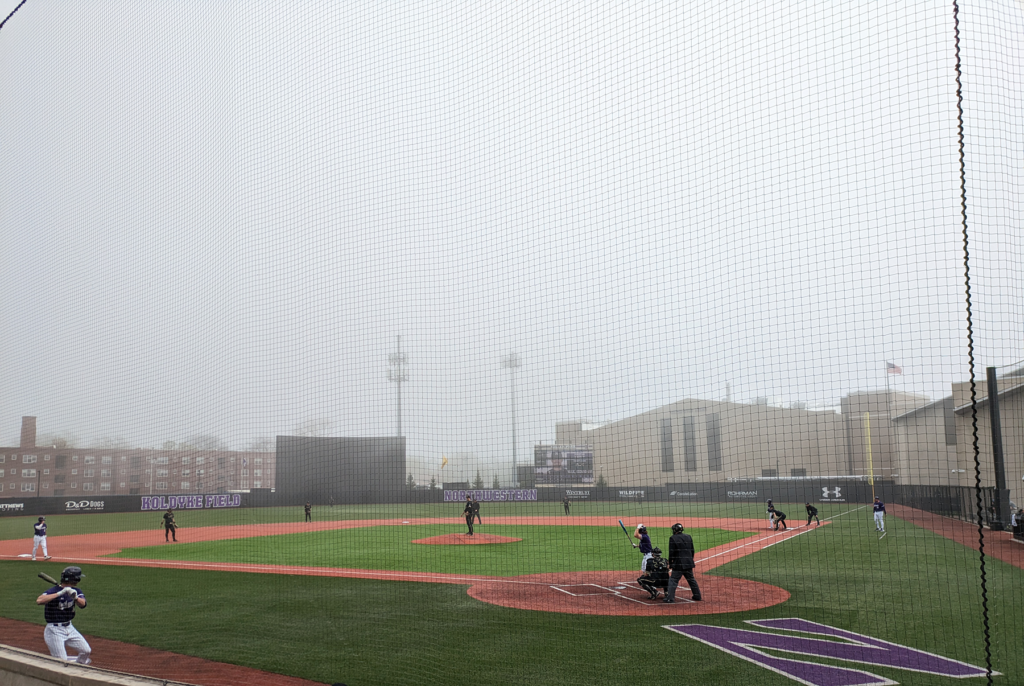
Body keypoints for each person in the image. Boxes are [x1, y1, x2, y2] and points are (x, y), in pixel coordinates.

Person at [36, 566, 91, 665]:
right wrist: (60, 593)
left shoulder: (76, 591)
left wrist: (75, 598)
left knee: (86, 651)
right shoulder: (54, 590)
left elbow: (83, 604)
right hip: (54, 630)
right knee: (61, 662)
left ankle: (78, 668)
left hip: (69, 627)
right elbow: (39, 600)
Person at [665, 523, 701, 603]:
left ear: (674, 530)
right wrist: (690, 560)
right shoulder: (688, 537)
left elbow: (672, 552)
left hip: (678, 564)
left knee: (673, 580)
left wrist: (670, 563)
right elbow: (692, 550)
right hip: (688, 562)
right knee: (691, 580)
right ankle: (697, 596)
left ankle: (670, 598)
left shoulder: (673, 538)